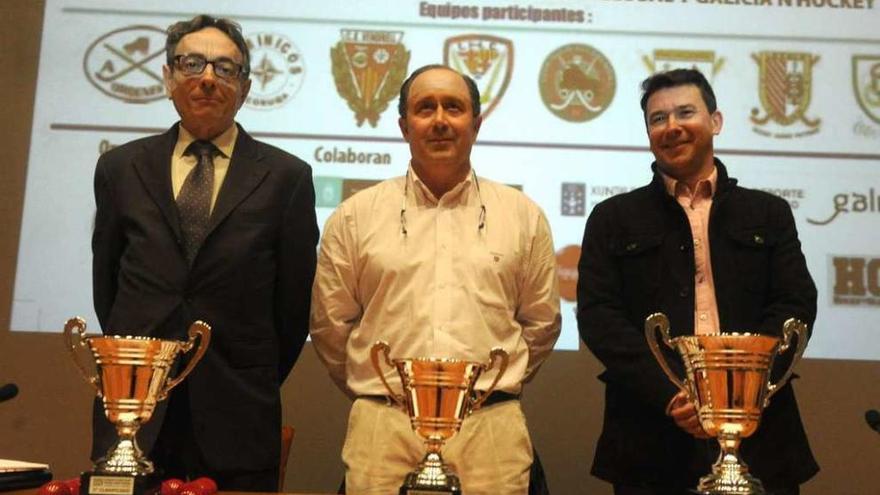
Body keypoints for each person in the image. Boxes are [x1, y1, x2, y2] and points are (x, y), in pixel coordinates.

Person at [90, 14, 318, 491]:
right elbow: (108, 289)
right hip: (136, 412)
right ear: (168, 78)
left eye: (225, 68)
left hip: (238, 413)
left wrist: (245, 376)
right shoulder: (119, 168)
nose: (208, 79)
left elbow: (292, 310)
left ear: (247, 87)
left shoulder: (286, 178)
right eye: (191, 64)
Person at [310, 64, 561, 494]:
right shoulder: (355, 216)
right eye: (425, 108)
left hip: (490, 430)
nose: (440, 120)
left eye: (454, 107)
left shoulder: (523, 216)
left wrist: (481, 393)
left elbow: (540, 324)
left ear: (476, 124)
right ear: (404, 126)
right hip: (383, 429)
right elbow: (330, 327)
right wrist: (383, 394)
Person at [577, 68, 818, 495]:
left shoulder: (769, 213)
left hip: (759, 434)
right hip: (650, 436)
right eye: (657, 118)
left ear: (715, 121)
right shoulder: (612, 218)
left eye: (685, 112)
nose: (671, 127)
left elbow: (794, 304)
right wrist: (671, 393)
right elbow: (599, 318)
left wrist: (741, 391)